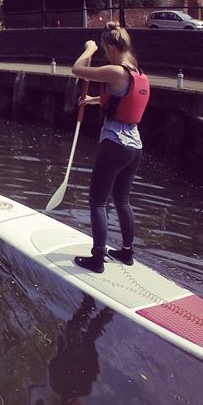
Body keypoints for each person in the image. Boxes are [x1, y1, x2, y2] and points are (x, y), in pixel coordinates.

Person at [71, 22, 150, 273]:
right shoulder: (138, 73)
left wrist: (89, 50)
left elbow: (77, 70)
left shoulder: (115, 71)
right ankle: (127, 253)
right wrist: (94, 100)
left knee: (97, 201)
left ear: (112, 48)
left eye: (105, 49)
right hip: (134, 147)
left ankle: (97, 258)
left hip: (115, 144)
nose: (104, 53)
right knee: (121, 200)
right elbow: (120, 99)